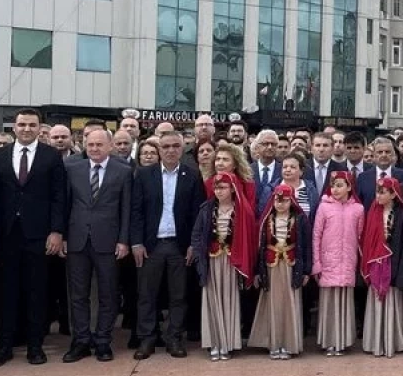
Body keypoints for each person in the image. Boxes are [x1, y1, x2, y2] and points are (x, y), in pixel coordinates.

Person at [130, 131, 205, 359]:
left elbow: (196, 214)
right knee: (146, 294)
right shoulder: (144, 175)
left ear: (182, 149)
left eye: (175, 146)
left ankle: (174, 337)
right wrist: (136, 242)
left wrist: (194, 244)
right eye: (166, 146)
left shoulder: (191, 176)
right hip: (151, 245)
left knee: (178, 295)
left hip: (178, 245)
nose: (170, 150)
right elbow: (136, 212)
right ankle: (148, 338)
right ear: (159, 149)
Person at [62, 129, 131, 363]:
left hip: (109, 241)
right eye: (90, 145)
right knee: (78, 294)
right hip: (77, 239)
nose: (94, 149)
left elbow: (126, 209)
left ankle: (103, 341)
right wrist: (62, 236)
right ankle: (81, 340)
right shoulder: (73, 169)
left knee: (108, 294)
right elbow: (66, 204)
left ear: (110, 146)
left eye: (99, 145)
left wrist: (123, 240)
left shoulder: (123, 171)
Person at [191, 172, 256, 361]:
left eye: (223, 188)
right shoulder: (206, 209)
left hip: (231, 262)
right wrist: (198, 255)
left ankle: (228, 342)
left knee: (229, 299)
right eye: (216, 187)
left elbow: (249, 239)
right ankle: (215, 342)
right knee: (212, 299)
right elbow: (197, 234)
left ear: (232, 189)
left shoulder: (242, 210)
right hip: (212, 260)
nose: (219, 191)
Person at [360, 177, 403, 358]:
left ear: (393, 194)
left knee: (392, 302)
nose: (378, 195)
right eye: (377, 192)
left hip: (393, 265)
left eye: (382, 192)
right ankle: (375, 342)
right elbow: (367, 241)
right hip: (376, 265)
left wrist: (400, 269)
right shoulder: (372, 212)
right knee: (376, 301)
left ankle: (391, 342)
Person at [248, 184, 310, 359]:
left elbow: (305, 247)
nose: (280, 203)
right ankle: (274, 343)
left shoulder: (300, 220)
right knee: (273, 304)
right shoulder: (266, 220)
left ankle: (289, 344)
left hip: (291, 267)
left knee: (290, 304)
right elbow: (258, 248)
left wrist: (306, 270)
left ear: (292, 201)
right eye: (277, 199)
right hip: (271, 267)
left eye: (284, 200)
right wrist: (257, 272)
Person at [311, 170, 362, 356]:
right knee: (329, 303)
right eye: (333, 185)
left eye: (340, 185)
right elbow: (316, 235)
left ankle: (343, 340)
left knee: (344, 302)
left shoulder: (358, 209)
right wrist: (317, 263)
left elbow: (359, 236)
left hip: (347, 261)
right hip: (328, 262)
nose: (335, 189)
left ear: (349, 187)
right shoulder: (324, 207)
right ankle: (328, 340)